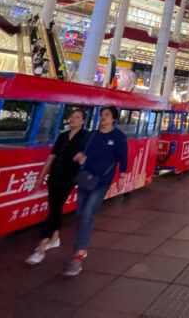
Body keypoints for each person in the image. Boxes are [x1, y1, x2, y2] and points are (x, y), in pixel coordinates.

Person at [63, 106, 128, 277]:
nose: (103, 117)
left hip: (102, 181)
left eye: (107, 115)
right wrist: (79, 156)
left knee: (87, 215)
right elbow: (80, 150)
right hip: (85, 178)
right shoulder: (92, 134)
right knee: (80, 215)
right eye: (102, 115)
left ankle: (78, 255)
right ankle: (81, 243)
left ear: (113, 118)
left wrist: (122, 176)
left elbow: (123, 157)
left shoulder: (119, 137)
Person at [25, 109, 87, 265]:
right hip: (55, 175)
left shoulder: (86, 137)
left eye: (77, 117)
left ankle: (42, 246)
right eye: (72, 116)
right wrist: (41, 176)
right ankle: (55, 238)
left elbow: (89, 155)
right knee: (55, 206)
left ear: (83, 121)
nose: (73, 119)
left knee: (55, 206)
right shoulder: (62, 136)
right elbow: (52, 156)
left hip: (69, 177)